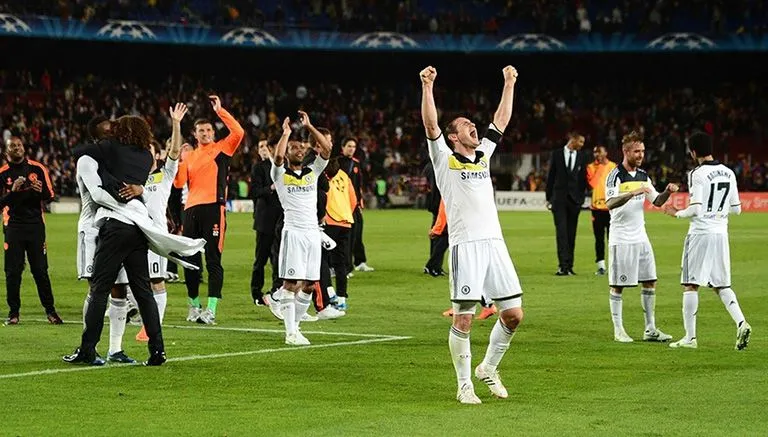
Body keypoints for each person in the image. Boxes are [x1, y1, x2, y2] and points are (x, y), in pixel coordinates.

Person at [64, 115, 204, 366]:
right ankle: (157, 351)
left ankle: (88, 349)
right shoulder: (144, 157)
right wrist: (137, 191)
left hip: (114, 225)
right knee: (142, 292)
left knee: (99, 290)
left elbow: (84, 158)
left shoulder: (105, 151)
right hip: (139, 228)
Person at [420, 65, 523, 404]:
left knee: (513, 315)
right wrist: (428, 86)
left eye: (472, 124)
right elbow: (431, 124)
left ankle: (488, 368)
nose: (472, 127)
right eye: (465, 125)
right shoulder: (444, 158)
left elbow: (502, 121)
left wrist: (508, 82)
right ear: (453, 137)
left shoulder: (482, 156)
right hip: (466, 246)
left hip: (495, 244)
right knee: (464, 319)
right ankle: (464, 384)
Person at [662, 132, 751, 350]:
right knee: (721, 284)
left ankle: (690, 338)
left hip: (701, 234)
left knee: (690, 284)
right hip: (721, 234)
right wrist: (718, 211)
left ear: (693, 152)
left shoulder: (697, 173)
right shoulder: (729, 172)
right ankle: (741, 322)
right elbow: (737, 209)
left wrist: (676, 213)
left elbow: (696, 208)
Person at [174, 95, 244, 325]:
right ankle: (194, 306)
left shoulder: (222, 148)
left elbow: (239, 133)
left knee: (213, 259)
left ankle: (211, 309)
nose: (205, 134)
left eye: (208, 130)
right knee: (191, 260)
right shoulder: (190, 156)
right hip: (191, 210)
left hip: (215, 209)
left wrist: (220, 111)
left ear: (213, 133)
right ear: (195, 135)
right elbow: (177, 184)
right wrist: (179, 160)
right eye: (201, 131)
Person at [604, 130, 677, 343]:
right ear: (626, 151)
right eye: (637, 151)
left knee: (650, 280)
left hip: (641, 237)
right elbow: (609, 203)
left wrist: (667, 192)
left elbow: (657, 202)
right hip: (622, 238)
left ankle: (650, 328)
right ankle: (619, 330)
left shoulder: (644, 176)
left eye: (643, 151)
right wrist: (630, 194)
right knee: (618, 285)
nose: (641, 155)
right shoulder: (615, 175)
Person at [75, 116, 137, 363]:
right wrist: (130, 205)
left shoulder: (119, 160)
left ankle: (115, 349)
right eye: (107, 133)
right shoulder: (87, 160)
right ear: (96, 138)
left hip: (116, 229)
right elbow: (98, 195)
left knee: (120, 289)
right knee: (97, 289)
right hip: (92, 229)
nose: (113, 135)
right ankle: (87, 347)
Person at [271, 111, 331, 345]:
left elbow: (326, 150)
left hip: (312, 233)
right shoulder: (280, 174)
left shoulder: (312, 172)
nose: (298, 150)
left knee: (308, 284)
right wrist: (285, 134)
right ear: (288, 152)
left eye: (301, 147)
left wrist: (310, 126)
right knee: (290, 283)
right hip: (293, 232)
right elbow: (276, 157)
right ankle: (289, 333)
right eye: (293, 147)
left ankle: (296, 328)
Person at [135, 103, 186, 342]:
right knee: (130, 280)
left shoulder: (164, 175)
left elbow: (175, 152)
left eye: (148, 150)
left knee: (156, 281)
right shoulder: (132, 177)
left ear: (156, 155)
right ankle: (139, 314)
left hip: (154, 235)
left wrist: (176, 124)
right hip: (133, 235)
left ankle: (154, 326)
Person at [0, 136, 60, 325]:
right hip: (13, 227)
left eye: (19, 145)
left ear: (24, 148)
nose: (17, 148)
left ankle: (51, 311)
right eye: (12, 146)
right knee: (13, 272)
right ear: (6, 151)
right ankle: (13, 313)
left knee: (40, 271)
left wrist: (39, 190)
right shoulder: (2, 173)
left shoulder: (38, 168)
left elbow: (50, 196)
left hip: (35, 226)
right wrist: (13, 192)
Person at [546, 133, 587, 276]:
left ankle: (569, 266)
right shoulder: (557, 154)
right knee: (561, 233)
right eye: (580, 141)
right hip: (559, 200)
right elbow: (551, 176)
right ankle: (562, 266)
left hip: (574, 201)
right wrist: (548, 198)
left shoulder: (582, 156)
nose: (582, 144)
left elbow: (583, 179)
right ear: (573, 140)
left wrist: (581, 198)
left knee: (571, 234)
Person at [250, 139, 282, 306]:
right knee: (261, 260)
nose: (263, 149)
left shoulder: (282, 166)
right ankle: (256, 293)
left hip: (281, 220)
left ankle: (277, 291)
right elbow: (254, 191)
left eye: (265, 146)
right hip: (264, 221)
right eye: (260, 147)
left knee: (278, 259)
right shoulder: (259, 168)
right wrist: (271, 188)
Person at [323, 156, 356, 311]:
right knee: (340, 262)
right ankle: (342, 298)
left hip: (330, 220)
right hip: (346, 221)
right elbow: (353, 200)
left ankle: (329, 293)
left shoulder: (324, 176)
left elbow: (323, 198)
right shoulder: (344, 175)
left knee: (321, 260)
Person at [338, 138, 374, 273]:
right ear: (343, 147)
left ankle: (360, 261)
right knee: (347, 236)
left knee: (357, 234)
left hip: (354, 205)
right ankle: (346, 266)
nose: (351, 149)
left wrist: (360, 203)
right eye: (349, 146)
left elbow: (359, 186)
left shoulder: (356, 164)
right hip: (342, 205)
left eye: (353, 146)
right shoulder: (337, 163)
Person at [586, 145, 617, 275]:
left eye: (599, 152)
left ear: (606, 152)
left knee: (613, 238)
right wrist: (601, 166)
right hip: (597, 208)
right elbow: (592, 184)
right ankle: (601, 266)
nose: (597, 154)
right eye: (595, 152)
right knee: (599, 239)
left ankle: (614, 265)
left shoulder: (614, 166)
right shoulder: (591, 167)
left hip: (611, 208)